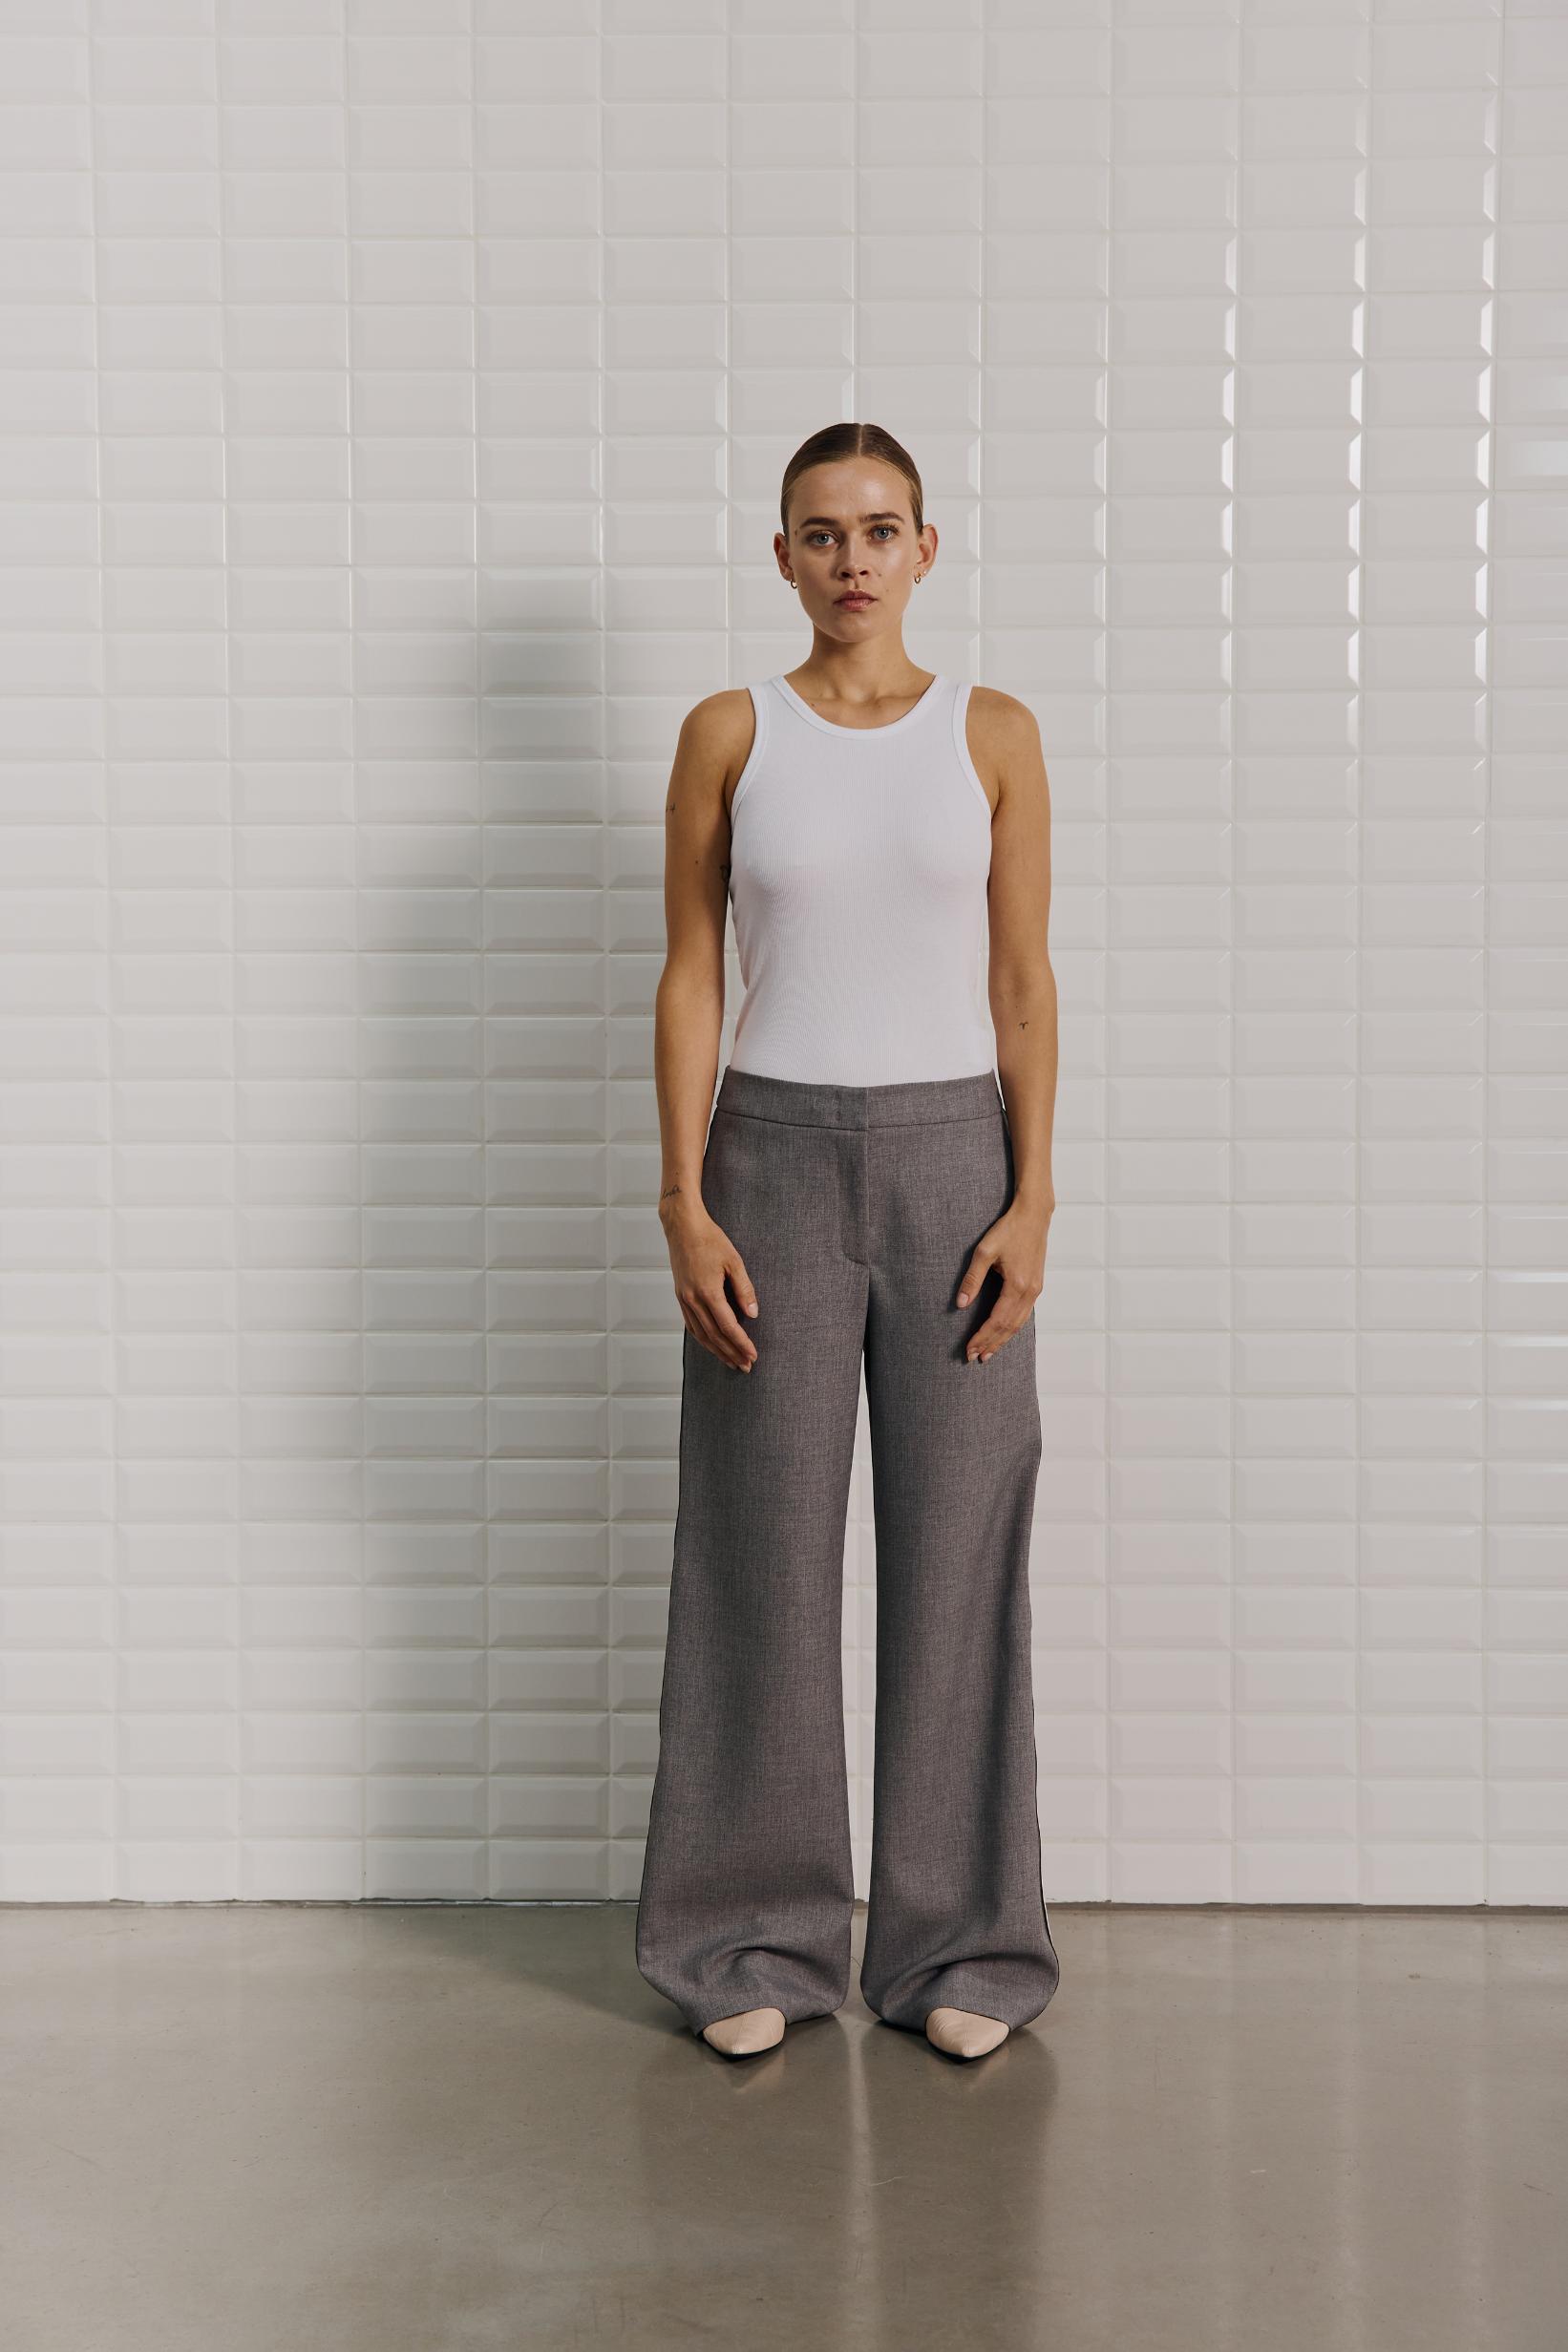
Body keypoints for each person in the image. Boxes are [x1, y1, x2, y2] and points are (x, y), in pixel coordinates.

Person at [636, 419, 1061, 2062]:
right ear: (783, 557)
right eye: (822, 533)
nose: (852, 559)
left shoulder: (992, 733)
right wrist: (683, 1196)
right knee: (759, 1553)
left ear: (925, 549)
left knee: (959, 1556)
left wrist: (1032, 1195)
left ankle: (961, 1951)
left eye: (880, 530)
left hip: (958, 1163)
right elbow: (691, 971)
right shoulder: (729, 732)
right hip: (770, 1162)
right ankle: (748, 1944)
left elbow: (1020, 980)